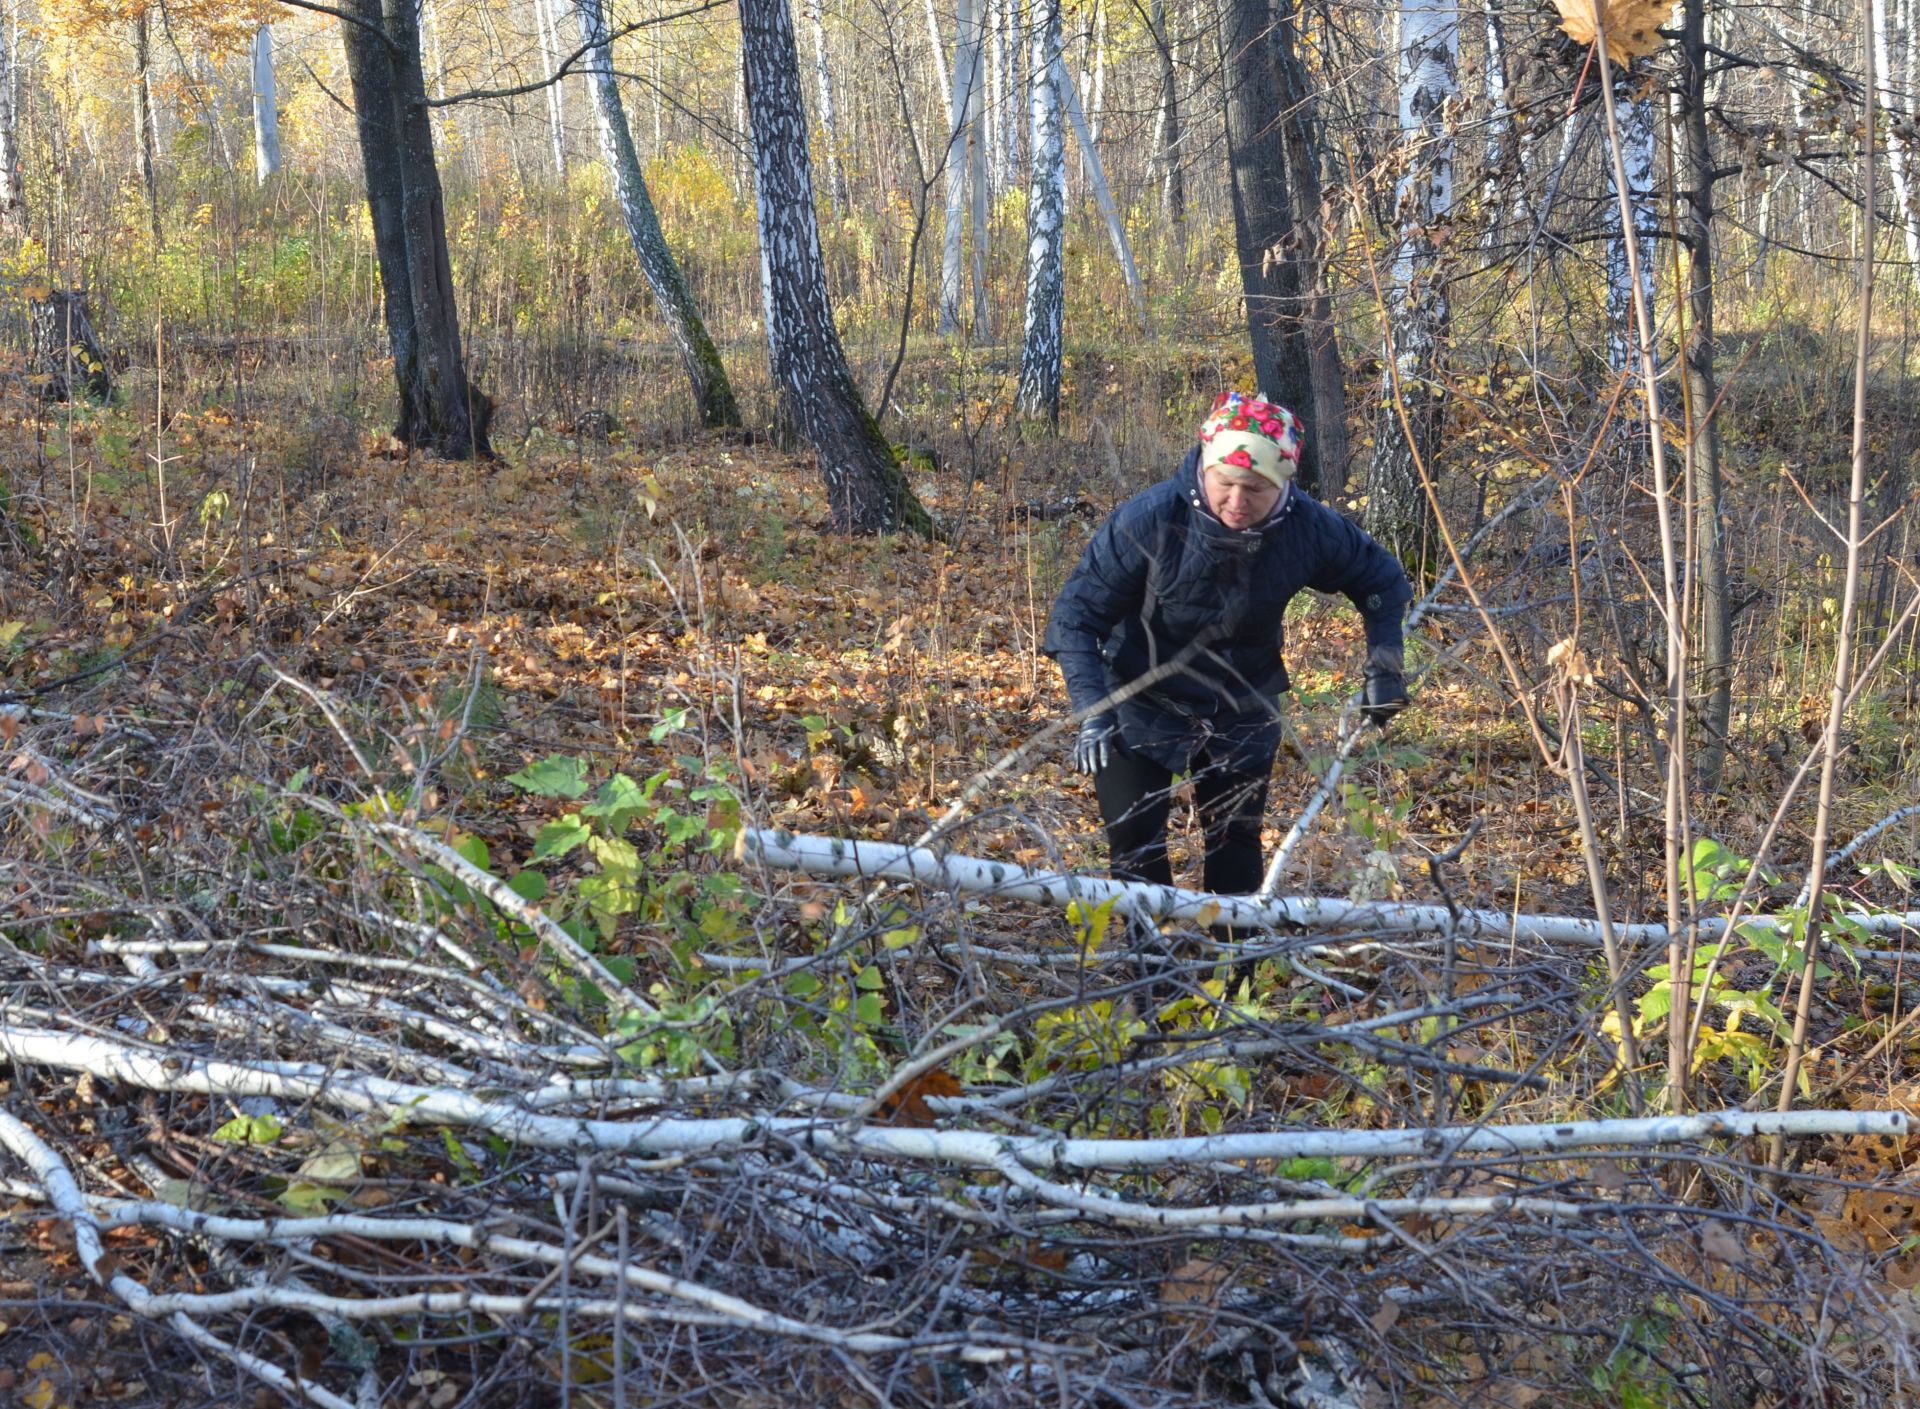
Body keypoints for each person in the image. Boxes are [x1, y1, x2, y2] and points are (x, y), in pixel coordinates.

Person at [1043, 392, 1413, 988]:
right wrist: (1093, 712)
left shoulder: (1309, 529)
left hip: (1243, 701)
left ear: (1284, 485)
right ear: (1205, 466)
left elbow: (1382, 582)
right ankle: (1153, 981)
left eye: (1256, 490)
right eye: (1225, 483)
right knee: (1135, 843)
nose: (1237, 502)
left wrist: (1385, 667)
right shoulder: (1152, 518)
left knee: (1235, 842)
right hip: (1138, 692)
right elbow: (1075, 618)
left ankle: (1237, 985)